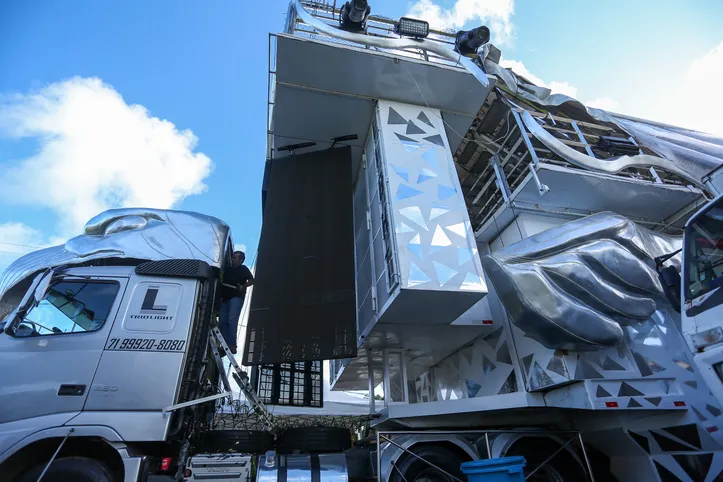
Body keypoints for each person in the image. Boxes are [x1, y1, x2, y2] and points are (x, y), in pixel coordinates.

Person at [219, 251, 254, 354]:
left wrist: (243, 286)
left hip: (236, 297)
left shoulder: (243, 269)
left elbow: (251, 280)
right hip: (225, 298)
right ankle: (225, 344)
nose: (233, 260)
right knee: (222, 322)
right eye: (233, 257)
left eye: (235, 258)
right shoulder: (228, 269)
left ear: (241, 260)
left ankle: (232, 345)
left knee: (231, 320)